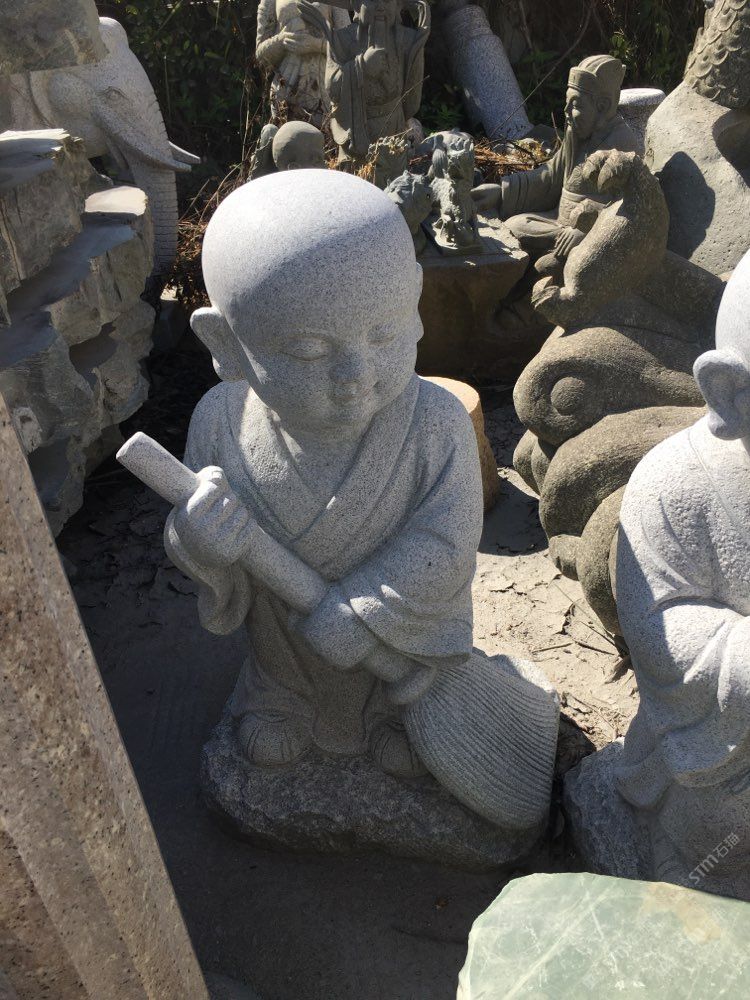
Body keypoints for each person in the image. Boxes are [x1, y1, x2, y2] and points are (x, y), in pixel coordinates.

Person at [165, 170, 484, 778]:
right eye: (310, 351)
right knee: (279, 657)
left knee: (404, 671)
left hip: (396, 644)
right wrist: (198, 539)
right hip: (284, 647)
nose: (356, 374)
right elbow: (190, 530)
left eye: (384, 333)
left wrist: (364, 609)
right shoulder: (220, 423)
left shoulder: (437, 422)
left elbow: (447, 541)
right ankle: (281, 701)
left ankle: (395, 711)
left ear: (416, 305)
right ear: (225, 343)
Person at [614, 249, 750, 896]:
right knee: (724, 826)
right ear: (729, 389)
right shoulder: (674, 486)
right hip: (725, 749)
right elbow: (658, 632)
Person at [473, 55, 638, 268]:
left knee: (526, 239)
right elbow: (550, 177)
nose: (566, 112)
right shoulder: (575, 135)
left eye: (575, 105)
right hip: (556, 222)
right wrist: (502, 192)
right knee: (517, 225)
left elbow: (624, 205)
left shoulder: (622, 143)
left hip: (589, 233)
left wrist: (586, 230)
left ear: (603, 106)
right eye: (566, 103)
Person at [301, 0, 430, 164]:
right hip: (355, 128)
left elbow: (411, 99)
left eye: (388, 1)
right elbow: (333, 88)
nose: (381, 7)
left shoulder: (406, 40)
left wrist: (418, 45)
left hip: (393, 126)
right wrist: (362, 67)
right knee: (355, 174)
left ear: (398, 6)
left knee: (393, 173)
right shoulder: (342, 39)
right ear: (356, 5)